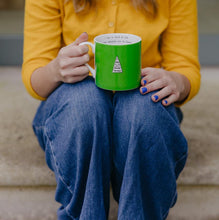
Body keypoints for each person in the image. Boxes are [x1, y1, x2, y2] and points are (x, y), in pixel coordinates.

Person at [22, 0, 200, 219]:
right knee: (86, 104)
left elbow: (184, 66)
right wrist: (55, 70)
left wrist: (177, 81)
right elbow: (34, 76)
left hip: (142, 106)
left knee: (141, 109)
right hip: (73, 109)